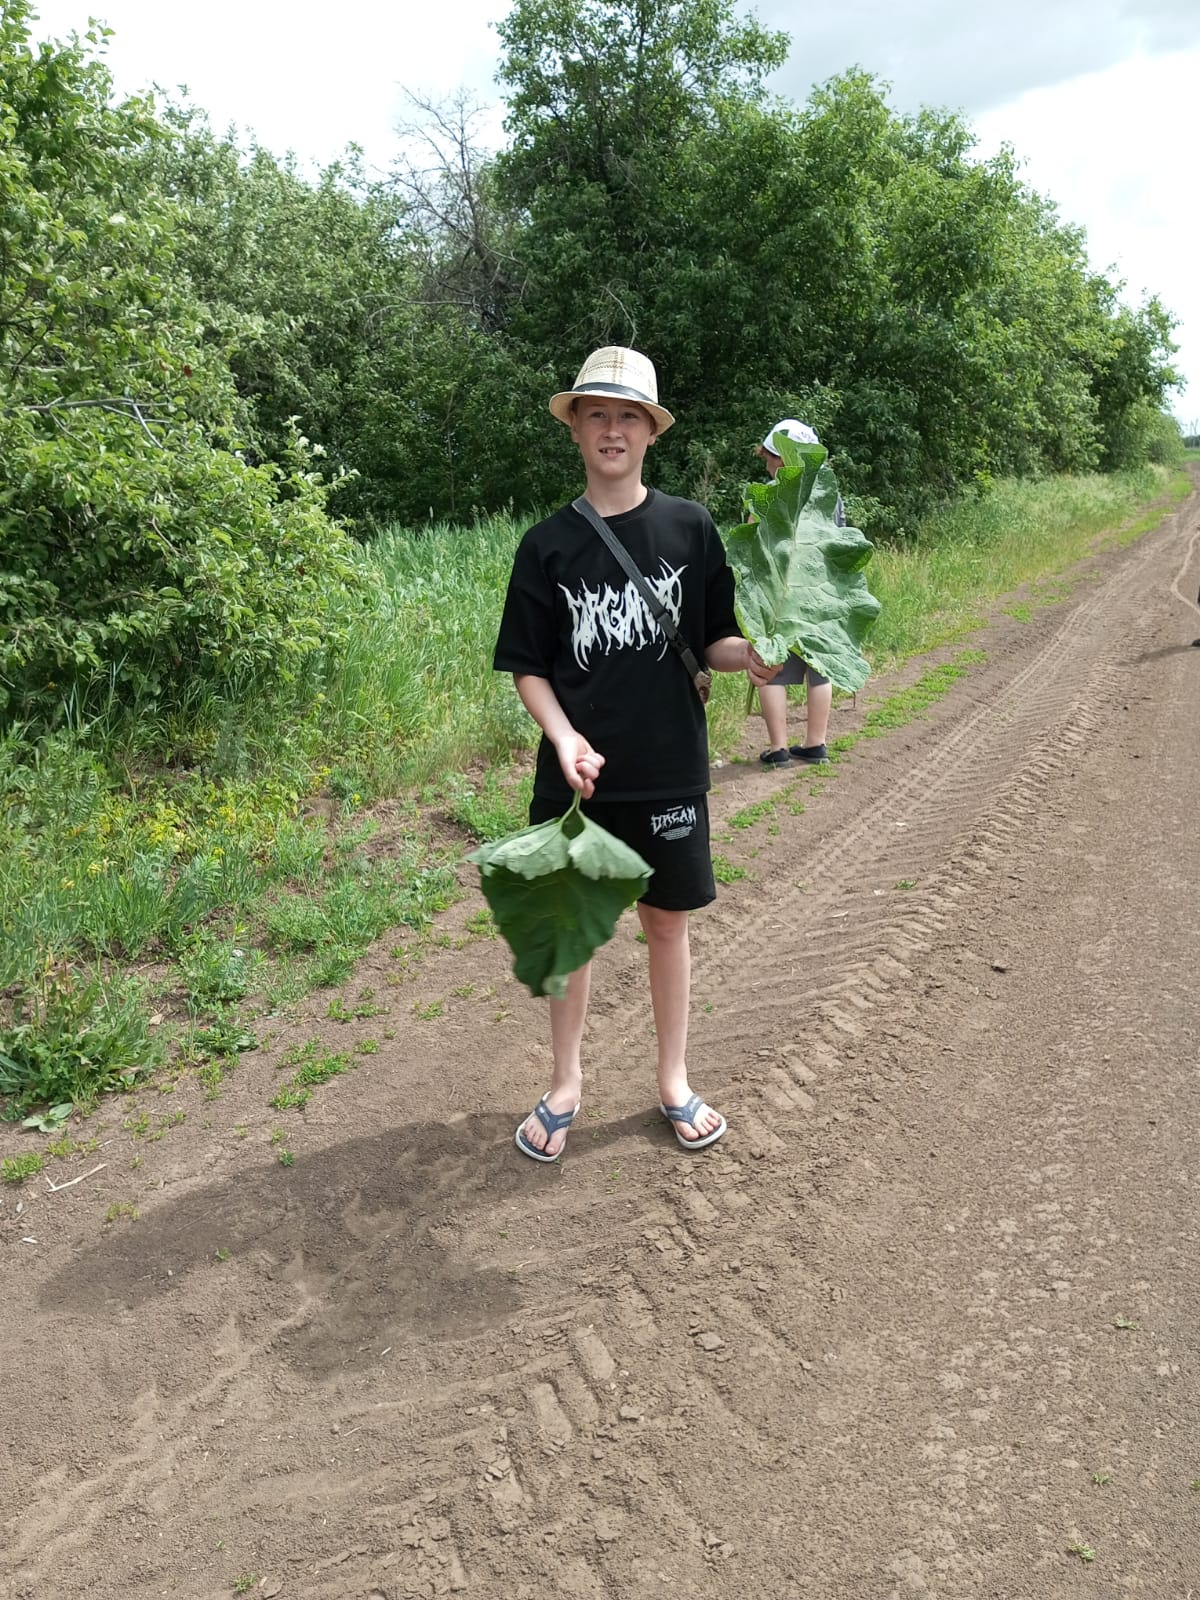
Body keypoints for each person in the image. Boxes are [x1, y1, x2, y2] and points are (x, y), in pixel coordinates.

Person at [493, 346, 781, 1161]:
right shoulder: (545, 545)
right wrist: (564, 737)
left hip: (668, 770)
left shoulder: (690, 527)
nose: (611, 429)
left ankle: (674, 1081)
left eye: (628, 416)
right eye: (596, 415)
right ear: (576, 430)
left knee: (665, 925)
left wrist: (750, 656)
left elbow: (716, 640)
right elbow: (527, 665)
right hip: (577, 777)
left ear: (650, 432)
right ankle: (565, 1084)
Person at [753, 419, 840, 768]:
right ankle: (815, 743)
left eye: (769, 457)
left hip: (778, 589)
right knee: (819, 664)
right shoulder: (827, 492)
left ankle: (779, 749)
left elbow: (753, 541)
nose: (767, 464)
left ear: (780, 457)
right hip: (820, 588)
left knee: (769, 663)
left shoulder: (770, 492)